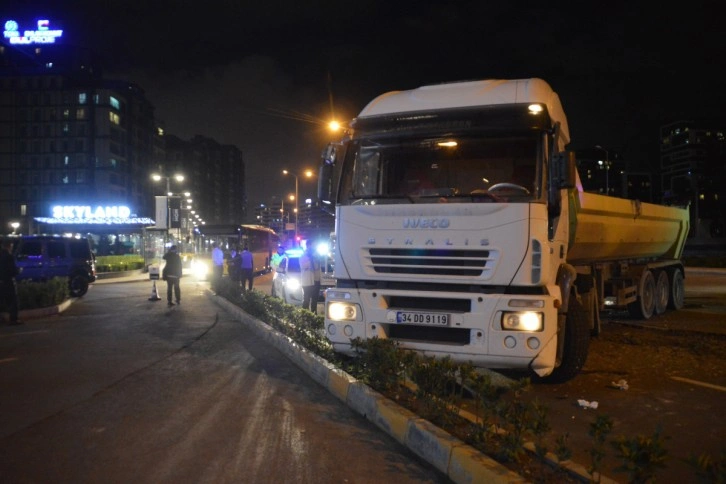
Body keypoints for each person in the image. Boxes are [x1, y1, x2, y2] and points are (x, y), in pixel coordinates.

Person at [0, 240, 21, 325]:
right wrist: (18, 271)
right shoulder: (9, 256)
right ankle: (13, 319)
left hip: (1, 281)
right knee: (12, 301)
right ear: (9, 246)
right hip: (8, 281)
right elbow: (12, 270)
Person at [300, 245, 318, 313]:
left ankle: (313, 312)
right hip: (306, 282)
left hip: (314, 281)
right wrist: (310, 259)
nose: (311, 249)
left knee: (314, 298)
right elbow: (303, 266)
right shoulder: (303, 257)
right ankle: (304, 313)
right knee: (306, 299)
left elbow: (316, 267)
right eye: (310, 248)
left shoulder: (313, 257)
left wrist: (315, 259)